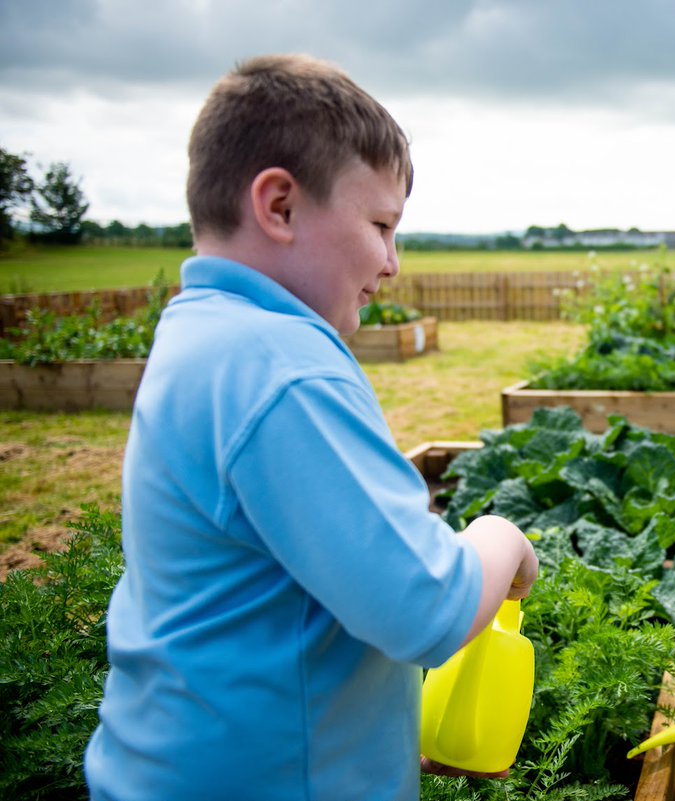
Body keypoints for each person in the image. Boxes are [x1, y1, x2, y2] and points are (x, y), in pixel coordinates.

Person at [84, 54, 538, 801]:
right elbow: (428, 606)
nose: (392, 263)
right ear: (280, 206)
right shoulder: (283, 366)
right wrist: (499, 537)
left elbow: (263, 602)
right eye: (382, 224)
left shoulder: (205, 333)